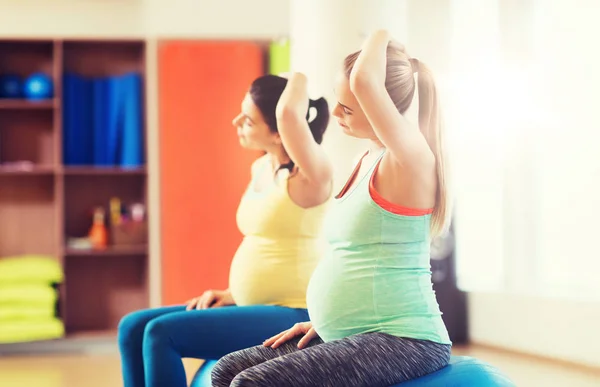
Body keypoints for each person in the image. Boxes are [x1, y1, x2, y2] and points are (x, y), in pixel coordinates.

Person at [211, 29, 452, 387]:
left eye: (349, 106)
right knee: (226, 371)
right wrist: (328, 321)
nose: (335, 112)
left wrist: (382, 33)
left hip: (406, 339)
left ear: (377, 104)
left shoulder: (411, 158)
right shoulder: (368, 157)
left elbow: (366, 80)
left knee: (252, 384)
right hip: (360, 332)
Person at [118, 74, 333, 387]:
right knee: (133, 327)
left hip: (292, 311)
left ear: (278, 132)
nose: (236, 122)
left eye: (247, 119)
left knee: (160, 334)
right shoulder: (261, 168)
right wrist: (232, 294)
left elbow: (288, 113)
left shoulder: (311, 177)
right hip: (252, 305)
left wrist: (300, 76)